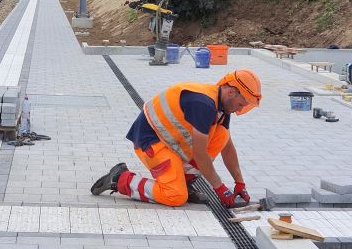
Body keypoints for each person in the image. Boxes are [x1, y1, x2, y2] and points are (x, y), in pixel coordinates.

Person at [91, 69, 261, 208]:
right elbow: (200, 155)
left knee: (222, 135)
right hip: (149, 140)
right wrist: (220, 188)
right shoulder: (204, 104)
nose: (239, 111)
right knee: (175, 196)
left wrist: (240, 182)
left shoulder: (221, 106)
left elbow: (227, 147)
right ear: (231, 92)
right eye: (240, 105)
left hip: (168, 141)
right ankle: (120, 178)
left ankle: (185, 182)